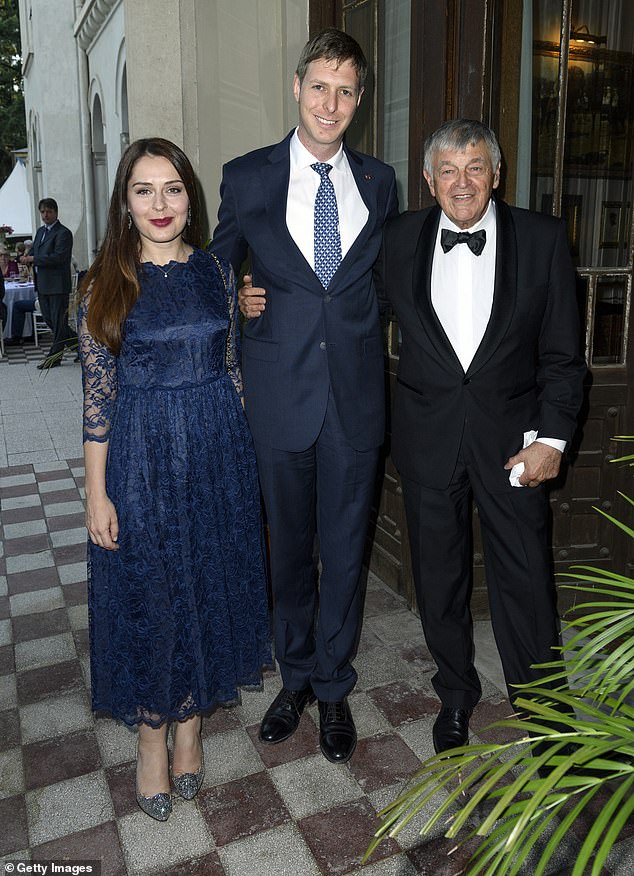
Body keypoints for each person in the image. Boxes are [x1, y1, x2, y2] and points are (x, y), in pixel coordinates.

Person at [211, 28, 398, 764]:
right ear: (296, 87)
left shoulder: (380, 181)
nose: (331, 103)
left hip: (353, 400)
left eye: (346, 90)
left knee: (346, 554)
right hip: (279, 397)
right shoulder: (249, 176)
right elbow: (216, 271)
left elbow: (383, 279)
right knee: (288, 553)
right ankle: (295, 678)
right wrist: (239, 301)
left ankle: (334, 684)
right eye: (320, 86)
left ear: (359, 100)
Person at [375, 119, 586, 755]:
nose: (461, 182)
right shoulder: (399, 238)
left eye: (475, 169)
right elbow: (348, 309)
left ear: (495, 175)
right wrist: (260, 299)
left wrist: (552, 441)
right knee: (438, 580)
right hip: (428, 438)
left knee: (525, 579)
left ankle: (546, 714)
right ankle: (456, 695)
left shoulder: (544, 239)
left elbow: (563, 356)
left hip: (514, 444)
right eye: (448, 170)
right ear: (428, 180)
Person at [78, 137, 271, 821]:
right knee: (155, 596)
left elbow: (234, 369)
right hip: (141, 460)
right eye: (143, 190)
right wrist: (96, 493)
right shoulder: (105, 280)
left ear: (192, 198)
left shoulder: (218, 273)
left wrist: (246, 463)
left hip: (217, 452)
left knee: (208, 583)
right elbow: (97, 399)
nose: (160, 204)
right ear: (125, 204)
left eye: (173, 189)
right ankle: (153, 738)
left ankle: (193, 729)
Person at [20, 198, 77, 368]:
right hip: (43, 284)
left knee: (59, 322)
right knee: (50, 320)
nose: (45, 215)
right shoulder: (40, 232)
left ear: (56, 212)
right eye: (43, 211)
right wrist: (26, 259)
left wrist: (34, 258)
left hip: (58, 285)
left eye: (49, 211)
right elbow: (36, 252)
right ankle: (81, 348)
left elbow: (60, 257)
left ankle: (54, 357)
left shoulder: (63, 233)